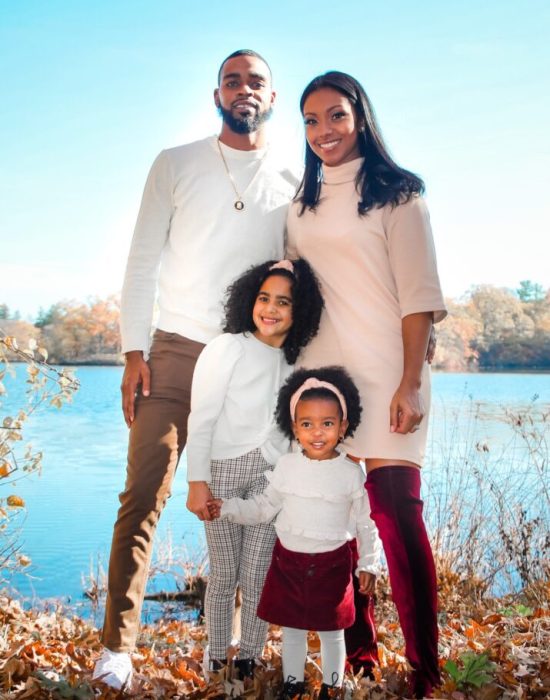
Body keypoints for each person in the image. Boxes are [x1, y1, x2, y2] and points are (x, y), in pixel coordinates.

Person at [92, 50, 298, 690]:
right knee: (144, 494)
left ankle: (244, 648)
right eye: (233, 80)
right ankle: (117, 651)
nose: (244, 89)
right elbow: (141, 261)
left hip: (250, 362)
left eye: (255, 80)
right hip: (176, 352)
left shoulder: (294, 177)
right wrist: (133, 353)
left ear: (271, 94)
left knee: (255, 509)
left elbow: (302, 276)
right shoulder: (176, 163)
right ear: (217, 94)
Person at [286, 71, 447, 698]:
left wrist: (411, 383)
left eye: (335, 116)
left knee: (397, 518)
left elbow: (419, 302)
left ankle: (426, 671)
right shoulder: (298, 207)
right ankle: (360, 656)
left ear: (360, 118)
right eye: (310, 120)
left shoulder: (401, 197)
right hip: (324, 382)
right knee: (332, 524)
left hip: (388, 375)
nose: (323, 130)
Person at [208, 366, 382, 700]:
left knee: (333, 632)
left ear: (343, 426)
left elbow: (366, 521)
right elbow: (263, 506)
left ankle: (333, 686)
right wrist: (228, 506)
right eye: (307, 424)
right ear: (294, 428)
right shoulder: (286, 467)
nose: (317, 433)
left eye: (327, 424)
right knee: (293, 632)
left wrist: (369, 564)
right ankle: (293, 685)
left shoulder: (349, 473)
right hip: (289, 563)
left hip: (333, 564)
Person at [186, 258, 323, 680]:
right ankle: (215, 656)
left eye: (283, 302)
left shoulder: (295, 362)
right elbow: (201, 418)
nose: (271, 308)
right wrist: (196, 483)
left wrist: (285, 479)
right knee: (225, 574)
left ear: (299, 311)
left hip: (269, 478)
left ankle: (248, 657)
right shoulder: (227, 348)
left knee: (258, 573)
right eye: (264, 298)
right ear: (251, 299)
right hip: (222, 469)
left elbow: (290, 428)